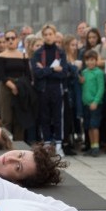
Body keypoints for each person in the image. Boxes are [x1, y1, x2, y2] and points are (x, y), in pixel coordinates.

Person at [32, 25, 68, 153]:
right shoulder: (38, 53)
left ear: (54, 35)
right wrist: (52, 69)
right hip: (43, 89)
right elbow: (37, 73)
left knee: (58, 117)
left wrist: (44, 69)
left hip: (57, 88)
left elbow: (63, 73)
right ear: (43, 36)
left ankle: (58, 144)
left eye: (50, 34)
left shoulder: (61, 52)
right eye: (45, 34)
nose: (48, 37)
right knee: (45, 117)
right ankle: (47, 143)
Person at [81, 51, 105, 157]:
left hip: (95, 103)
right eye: (88, 60)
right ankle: (91, 146)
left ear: (96, 61)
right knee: (88, 126)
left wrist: (95, 101)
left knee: (94, 125)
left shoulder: (99, 72)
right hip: (86, 103)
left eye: (92, 60)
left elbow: (101, 88)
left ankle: (96, 146)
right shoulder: (84, 72)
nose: (90, 62)